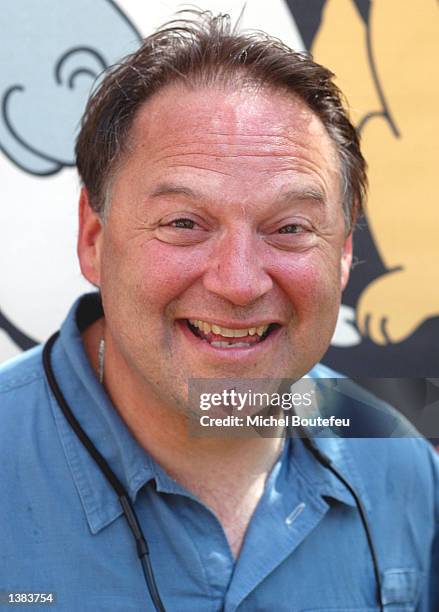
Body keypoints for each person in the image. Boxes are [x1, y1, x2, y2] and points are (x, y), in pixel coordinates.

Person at [0, 10, 438, 611]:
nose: (238, 282)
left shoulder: (397, 461)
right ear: (93, 240)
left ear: (342, 256)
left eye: (288, 228)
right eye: (184, 223)